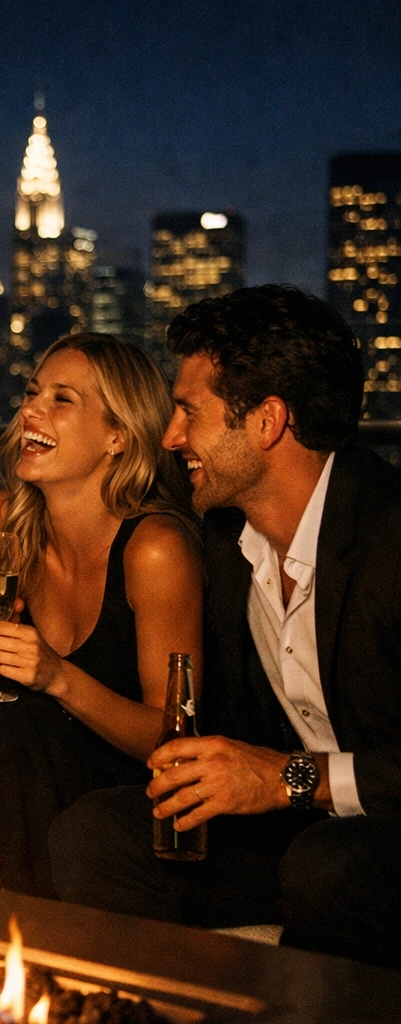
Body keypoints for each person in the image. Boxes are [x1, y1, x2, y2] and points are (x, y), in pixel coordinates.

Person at [49, 285, 401, 969]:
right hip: (295, 836)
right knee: (98, 832)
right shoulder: (225, 542)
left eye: (188, 411)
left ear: (267, 422)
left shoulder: (390, 536)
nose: (173, 435)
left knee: (330, 865)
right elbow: (99, 490)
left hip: (377, 841)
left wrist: (288, 779)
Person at [0, 334, 204, 897]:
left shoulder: (155, 549)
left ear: (117, 436)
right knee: (5, 717)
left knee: (19, 717)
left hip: (121, 795)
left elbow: (172, 740)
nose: (30, 409)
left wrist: (56, 677)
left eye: (62, 399)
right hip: (8, 768)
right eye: (32, 393)